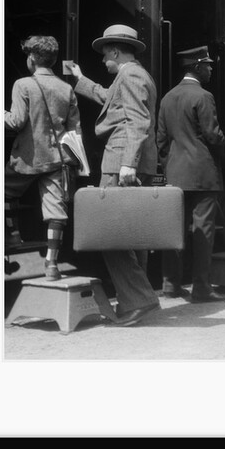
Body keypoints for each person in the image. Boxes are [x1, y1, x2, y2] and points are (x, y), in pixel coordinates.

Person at [69, 24, 160, 327]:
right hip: (127, 158)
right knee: (131, 235)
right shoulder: (131, 74)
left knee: (110, 234)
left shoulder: (131, 75)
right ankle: (137, 299)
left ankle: (140, 300)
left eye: (105, 54)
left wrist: (128, 164)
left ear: (116, 51)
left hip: (122, 159)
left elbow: (138, 119)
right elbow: (110, 98)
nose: (102, 59)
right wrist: (81, 79)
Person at [157, 46, 225, 303]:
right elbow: (213, 136)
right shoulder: (203, 96)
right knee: (203, 231)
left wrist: (171, 168)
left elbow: (161, 141)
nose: (210, 69)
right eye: (207, 65)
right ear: (196, 67)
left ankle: (169, 284)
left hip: (175, 175)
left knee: (174, 230)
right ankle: (201, 288)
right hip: (203, 176)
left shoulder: (167, 98)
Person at [4, 35, 81, 280]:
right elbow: (75, 130)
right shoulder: (66, 88)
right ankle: (51, 265)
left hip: (27, 159)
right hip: (58, 159)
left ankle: (12, 234)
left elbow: (15, 122)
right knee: (56, 212)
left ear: (32, 59)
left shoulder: (22, 85)